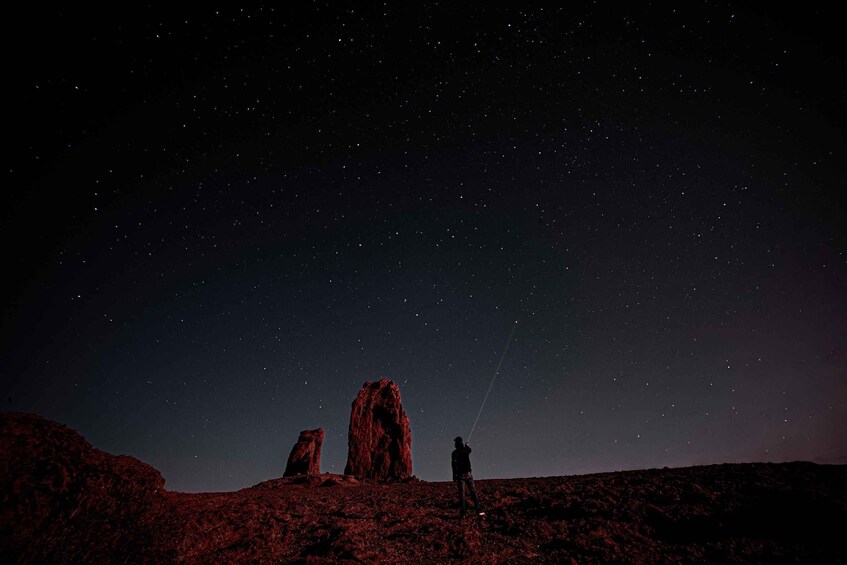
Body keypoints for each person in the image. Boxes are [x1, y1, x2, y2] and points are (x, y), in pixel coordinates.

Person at [452, 436, 483, 517]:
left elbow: (453, 465)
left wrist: (454, 475)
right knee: (473, 492)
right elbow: (469, 450)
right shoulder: (465, 450)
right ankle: (478, 510)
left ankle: (463, 513)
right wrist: (467, 445)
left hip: (460, 475)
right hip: (468, 474)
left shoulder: (454, 453)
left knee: (462, 494)